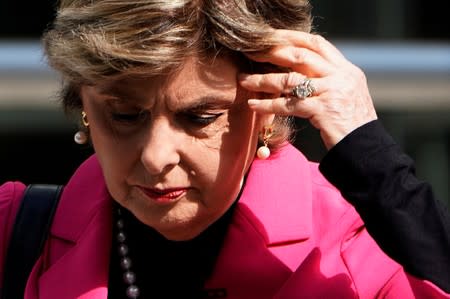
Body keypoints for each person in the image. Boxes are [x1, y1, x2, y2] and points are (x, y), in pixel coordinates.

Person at [0, 0, 449, 298]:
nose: (157, 156)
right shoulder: (14, 231)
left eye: (199, 117)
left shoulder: (365, 250)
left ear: (267, 109)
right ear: (82, 106)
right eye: (124, 115)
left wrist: (370, 154)